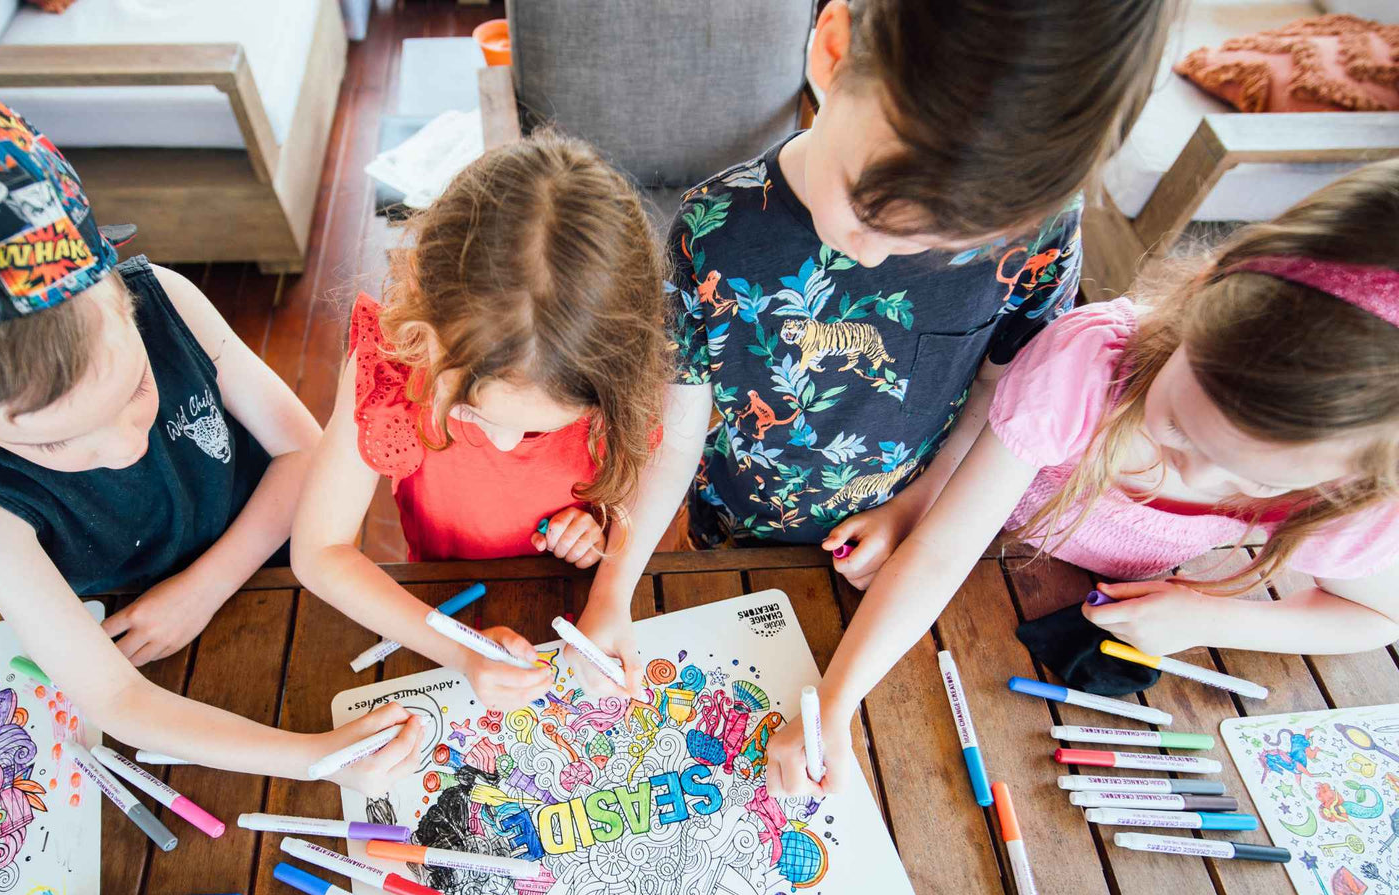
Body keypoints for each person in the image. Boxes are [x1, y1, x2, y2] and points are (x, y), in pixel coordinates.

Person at [0, 79, 422, 785]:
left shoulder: (168, 296)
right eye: (55, 443)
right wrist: (314, 758)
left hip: (279, 558)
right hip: (137, 655)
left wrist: (203, 586)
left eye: (136, 388)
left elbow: (303, 452)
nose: (127, 442)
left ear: (119, 290)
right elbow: (114, 695)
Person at [568, 0, 1174, 700]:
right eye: (866, 208)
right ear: (831, 48)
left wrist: (923, 500)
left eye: (933, 245)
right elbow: (672, 437)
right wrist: (615, 586)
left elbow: (1000, 398)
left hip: (921, 539)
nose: (877, 251)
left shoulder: (1036, 235)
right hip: (735, 532)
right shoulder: (713, 229)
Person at [766, 160, 1399, 796]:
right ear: (1201, 300)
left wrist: (1210, 620)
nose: (1194, 471)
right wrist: (835, 704)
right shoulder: (1088, 367)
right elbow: (942, 551)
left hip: (1087, 600)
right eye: (1179, 427)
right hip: (995, 548)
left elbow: (1372, 618)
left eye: (1257, 482)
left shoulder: (1350, 493)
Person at [291, 131, 673, 710]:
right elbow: (318, 552)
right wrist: (459, 650)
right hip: (439, 603)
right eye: (471, 411)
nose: (503, 441)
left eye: (543, 429)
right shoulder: (395, 364)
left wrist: (601, 527)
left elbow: (638, 491)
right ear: (424, 327)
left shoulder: (618, 382)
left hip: (575, 596)